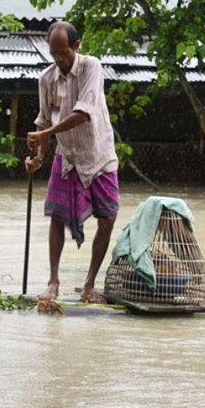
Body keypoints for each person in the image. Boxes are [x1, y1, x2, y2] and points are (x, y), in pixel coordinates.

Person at [25, 21, 119, 303]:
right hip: (67, 156)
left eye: (64, 53)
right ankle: (53, 282)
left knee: (108, 217)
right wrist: (37, 157)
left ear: (76, 46)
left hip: (98, 153)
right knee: (56, 215)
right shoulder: (46, 79)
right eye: (54, 54)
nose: (59, 59)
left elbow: (84, 112)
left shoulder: (92, 67)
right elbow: (43, 119)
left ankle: (89, 285)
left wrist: (45, 134)